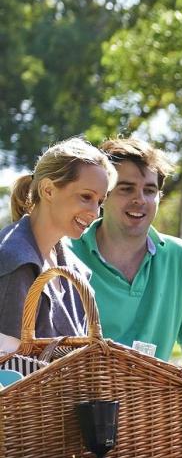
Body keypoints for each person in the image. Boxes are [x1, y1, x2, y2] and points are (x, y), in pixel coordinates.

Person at [68, 137, 182, 439]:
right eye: (126, 188)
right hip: (77, 421)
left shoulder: (180, 258)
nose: (139, 199)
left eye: (149, 190)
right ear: (103, 195)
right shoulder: (66, 253)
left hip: (150, 425)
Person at [0, 138, 115, 343]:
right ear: (48, 190)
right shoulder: (13, 261)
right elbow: (9, 368)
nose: (94, 212)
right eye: (86, 197)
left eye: (100, 202)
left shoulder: (77, 271)